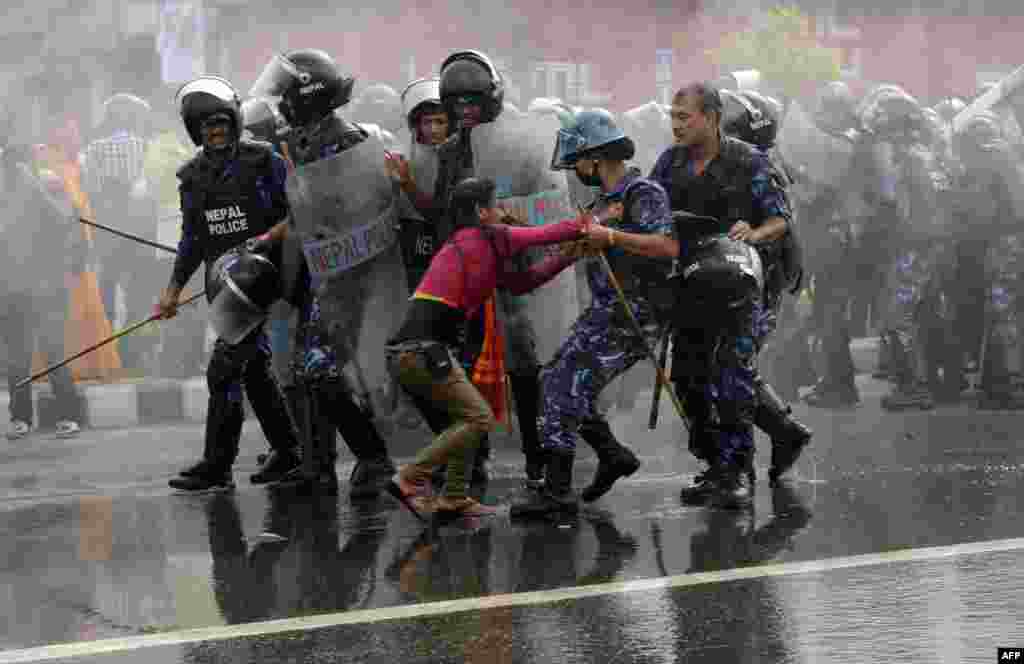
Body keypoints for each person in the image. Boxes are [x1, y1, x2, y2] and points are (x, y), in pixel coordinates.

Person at [386, 176, 587, 518]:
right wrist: (591, 225)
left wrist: (569, 257)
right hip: (421, 349)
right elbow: (547, 233)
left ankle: (454, 496)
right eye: (496, 205)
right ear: (481, 212)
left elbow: (523, 283)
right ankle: (410, 477)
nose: (502, 211)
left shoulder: (477, 244)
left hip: (415, 352)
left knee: (468, 417)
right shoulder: (486, 237)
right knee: (477, 418)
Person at [248, 49, 399, 496]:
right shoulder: (302, 140)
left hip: (348, 272)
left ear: (307, 96)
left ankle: (373, 458)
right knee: (306, 366)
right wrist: (265, 242)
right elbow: (301, 212)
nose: (281, 105)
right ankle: (317, 465)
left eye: (287, 96)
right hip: (320, 270)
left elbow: (365, 207)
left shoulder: (345, 141)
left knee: (318, 367)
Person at [513, 108, 674, 518]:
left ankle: (557, 491)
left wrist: (612, 236)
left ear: (597, 157)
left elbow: (666, 247)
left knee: (560, 384)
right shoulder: (601, 202)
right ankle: (612, 454)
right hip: (605, 312)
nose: (575, 170)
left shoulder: (643, 193)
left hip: (633, 314)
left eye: (578, 161)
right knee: (558, 380)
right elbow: (578, 247)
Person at [650, 82, 795, 508]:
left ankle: (738, 473)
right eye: (673, 117)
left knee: (731, 377)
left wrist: (754, 233)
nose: (676, 125)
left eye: (685, 117)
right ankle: (714, 465)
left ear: (711, 118)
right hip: (689, 287)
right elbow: (649, 211)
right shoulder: (669, 164)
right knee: (689, 380)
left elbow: (779, 219)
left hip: (741, 289)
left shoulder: (749, 162)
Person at [158, 75, 301, 492]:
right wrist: (172, 289)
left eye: (221, 122)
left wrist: (264, 246)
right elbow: (192, 239)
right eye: (206, 127)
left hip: (264, 276)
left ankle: (217, 466)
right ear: (195, 132)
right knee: (253, 368)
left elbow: (298, 214)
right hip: (222, 283)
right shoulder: (192, 176)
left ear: (234, 121)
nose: (215, 131)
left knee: (223, 369)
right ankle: (289, 452)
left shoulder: (266, 161)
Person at [1, 142, 85, 440]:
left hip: (48, 286)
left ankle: (68, 413)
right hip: (12, 288)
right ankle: (20, 417)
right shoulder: (5, 195)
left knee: (53, 350)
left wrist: (34, 190)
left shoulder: (49, 186)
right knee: (17, 356)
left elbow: (65, 220)